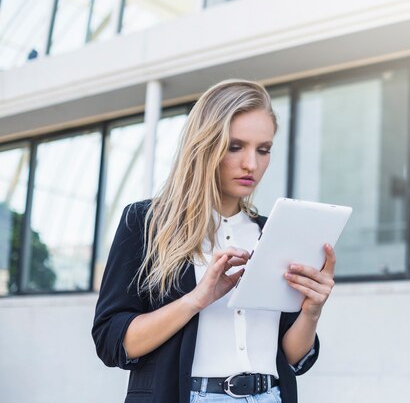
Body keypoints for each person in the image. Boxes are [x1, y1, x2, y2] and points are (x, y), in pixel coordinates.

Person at [92, 79, 336, 403]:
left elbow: (292, 358)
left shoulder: (273, 232)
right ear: (205, 144)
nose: (252, 163)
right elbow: (111, 341)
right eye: (236, 146)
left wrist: (312, 310)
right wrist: (196, 300)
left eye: (263, 150)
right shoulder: (146, 222)